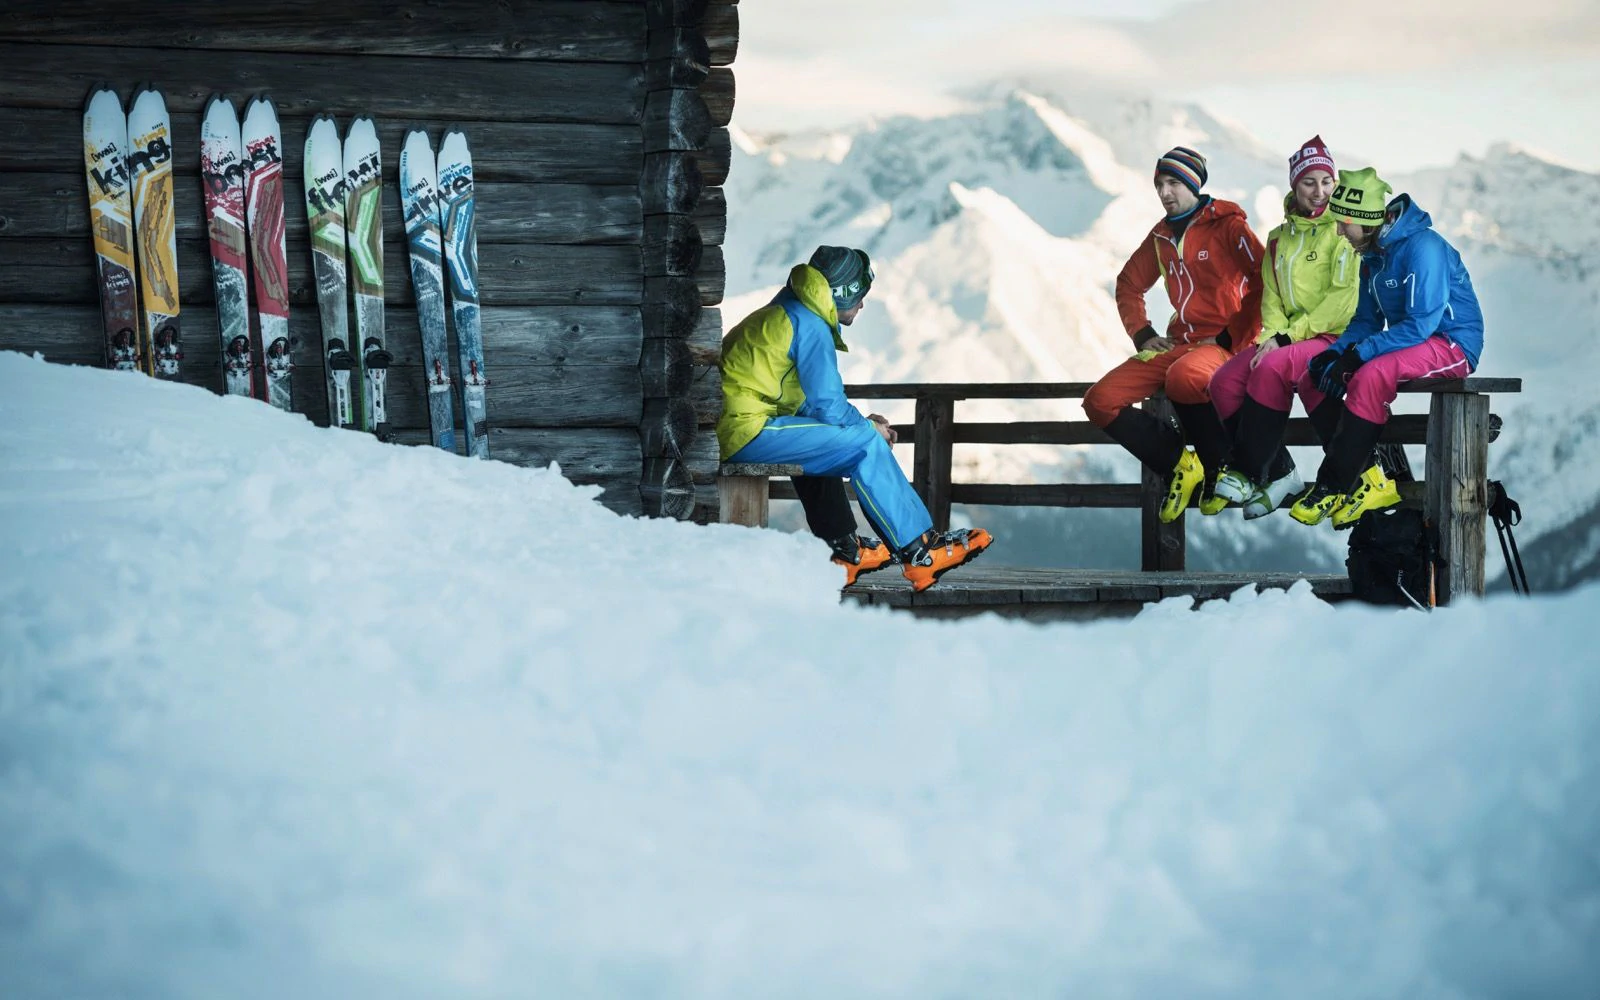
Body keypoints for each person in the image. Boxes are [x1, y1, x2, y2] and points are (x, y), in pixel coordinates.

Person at [717, 245, 993, 590]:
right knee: (862, 444)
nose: (863, 303)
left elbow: (814, 410)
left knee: (833, 442)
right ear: (840, 294)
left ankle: (846, 551)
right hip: (745, 431)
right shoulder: (810, 323)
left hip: (738, 426)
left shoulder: (790, 312)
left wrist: (859, 424)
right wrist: (868, 429)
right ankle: (923, 553)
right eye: (859, 295)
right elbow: (829, 404)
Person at [1287, 167, 1485, 526]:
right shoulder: (1373, 256)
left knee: (1373, 374)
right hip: (1414, 338)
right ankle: (1368, 477)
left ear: (1364, 220)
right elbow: (1365, 322)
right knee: (1312, 377)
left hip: (1451, 341)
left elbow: (1422, 323)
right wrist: (1336, 353)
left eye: (1342, 224)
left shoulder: (1424, 248)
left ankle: (1333, 484)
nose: (1338, 232)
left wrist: (1360, 354)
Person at [1083, 146, 1264, 522]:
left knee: (1183, 377)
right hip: (1179, 343)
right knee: (1099, 400)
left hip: (1222, 346)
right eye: (1160, 184)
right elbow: (1129, 284)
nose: (1166, 193)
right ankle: (1180, 461)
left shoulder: (1229, 226)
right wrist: (1143, 333)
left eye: (1174, 183)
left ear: (1193, 185)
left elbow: (1265, 281)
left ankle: (1221, 470)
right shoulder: (1161, 236)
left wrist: (1233, 337)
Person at [1208, 135, 1360, 518]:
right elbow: (1271, 297)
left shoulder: (1341, 231)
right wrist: (1269, 337)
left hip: (1334, 333)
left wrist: (1285, 338)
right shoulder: (1279, 239)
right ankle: (1280, 472)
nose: (1320, 191)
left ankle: (1245, 470)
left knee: (1273, 367)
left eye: (1327, 181)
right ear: (1294, 185)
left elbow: (1342, 300)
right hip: (1287, 338)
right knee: (1224, 382)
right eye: (1309, 182)